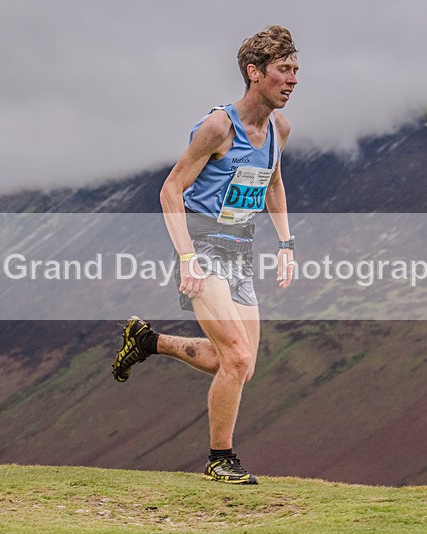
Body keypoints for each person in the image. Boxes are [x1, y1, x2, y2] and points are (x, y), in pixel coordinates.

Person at [111, 26, 299, 485]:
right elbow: (170, 189)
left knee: (237, 364)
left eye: (296, 70)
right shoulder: (218, 127)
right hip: (203, 246)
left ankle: (149, 342)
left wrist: (286, 245)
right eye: (283, 70)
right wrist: (186, 257)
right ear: (254, 73)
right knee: (235, 357)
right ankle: (221, 458)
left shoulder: (279, 128)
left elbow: (272, 183)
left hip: (240, 249)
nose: (292, 80)